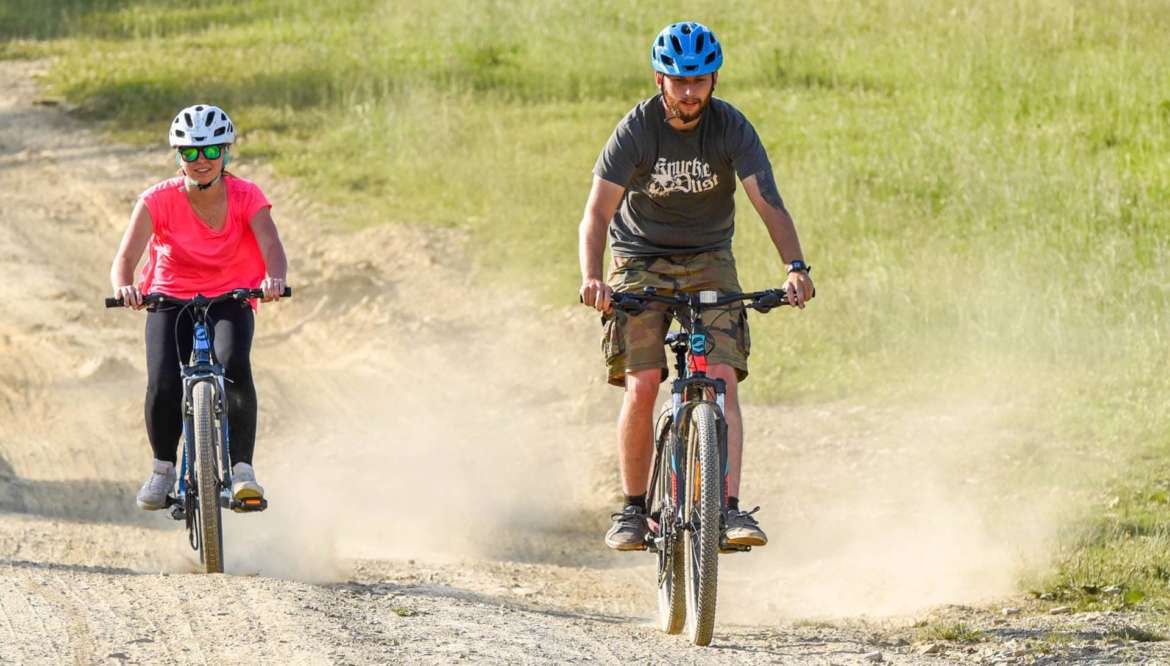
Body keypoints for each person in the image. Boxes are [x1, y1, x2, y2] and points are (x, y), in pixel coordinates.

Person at [578, 22, 814, 551]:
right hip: (640, 259)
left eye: (700, 81)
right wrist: (593, 276)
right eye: (679, 81)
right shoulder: (636, 129)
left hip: (709, 258)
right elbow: (596, 214)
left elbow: (767, 202)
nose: (689, 93)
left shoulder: (730, 127)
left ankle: (728, 511)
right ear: (660, 78)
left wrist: (796, 266)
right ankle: (635, 510)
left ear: (714, 79)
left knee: (723, 379)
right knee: (642, 383)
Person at [109, 104, 288, 511]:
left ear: (225, 153)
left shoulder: (247, 195)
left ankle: (243, 472)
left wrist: (273, 279)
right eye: (190, 153)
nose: (201, 161)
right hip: (169, 297)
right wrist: (125, 288)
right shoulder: (157, 199)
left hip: (232, 295)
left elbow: (272, 247)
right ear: (178, 156)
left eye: (210, 151)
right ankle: (162, 470)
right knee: (164, 381)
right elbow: (125, 258)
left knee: (234, 364)